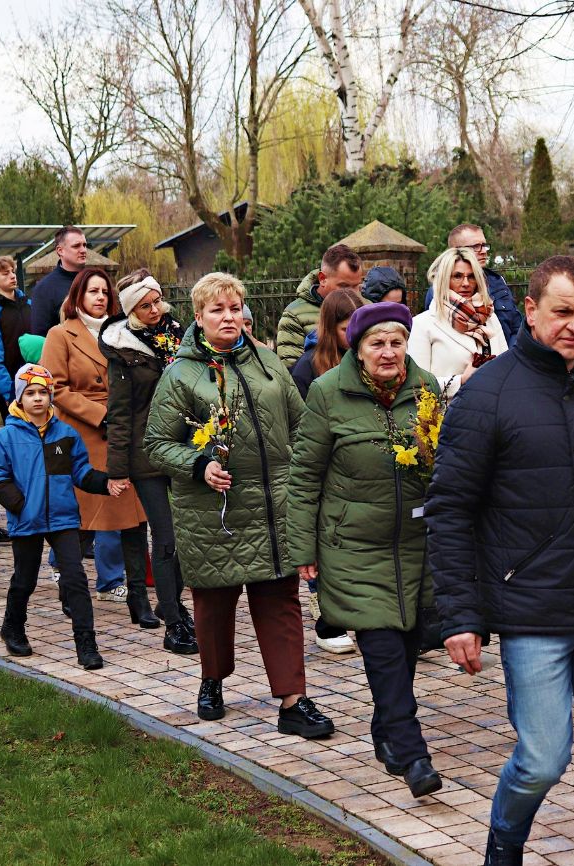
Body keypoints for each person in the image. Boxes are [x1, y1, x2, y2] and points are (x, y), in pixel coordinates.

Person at [427, 255, 574, 866]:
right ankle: (504, 845)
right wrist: (460, 616)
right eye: (563, 313)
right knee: (542, 759)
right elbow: (449, 509)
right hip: (531, 607)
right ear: (530, 311)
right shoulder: (487, 394)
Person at [144, 272, 335, 739]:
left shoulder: (268, 363)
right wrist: (198, 463)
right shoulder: (181, 373)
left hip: (274, 507)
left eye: (234, 309)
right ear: (199, 317)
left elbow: (302, 426)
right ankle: (212, 680)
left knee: (280, 602)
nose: (228, 317)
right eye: (217, 310)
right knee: (214, 604)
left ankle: (293, 700)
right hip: (215, 512)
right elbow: (155, 443)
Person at [287, 302, 444, 798]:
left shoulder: (427, 390)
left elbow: (441, 461)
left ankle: (387, 729)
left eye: (397, 341)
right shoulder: (327, 393)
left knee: (407, 645)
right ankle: (413, 753)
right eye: (377, 343)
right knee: (381, 647)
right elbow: (305, 475)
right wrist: (303, 546)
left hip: (415, 544)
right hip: (352, 544)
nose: (389, 352)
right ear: (357, 348)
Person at [0, 364, 115, 669]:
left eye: (43, 392)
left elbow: (80, 472)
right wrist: (17, 504)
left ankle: (86, 644)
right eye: (30, 393)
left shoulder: (65, 435)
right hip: (26, 520)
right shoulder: (7, 437)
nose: (38, 399)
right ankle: (13, 627)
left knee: (76, 579)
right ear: (19, 398)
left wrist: (106, 482)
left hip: (63, 519)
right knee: (24, 579)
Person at [41, 268, 153, 622]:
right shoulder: (60, 334)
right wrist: (100, 414)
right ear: (78, 296)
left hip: (124, 433)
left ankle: (139, 598)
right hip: (80, 433)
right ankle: (72, 593)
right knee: (76, 520)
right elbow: (54, 388)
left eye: (105, 291)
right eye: (93, 291)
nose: (101, 297)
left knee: (134, 519)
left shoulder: (123, 333)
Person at [99, 269, 198, 656]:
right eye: (146, 305)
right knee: (167, 535)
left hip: (185, 445)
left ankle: (172, 602)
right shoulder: (123, 348)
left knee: (186, 534)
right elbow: (119, 412)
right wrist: (117, 469)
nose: (155, 309)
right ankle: (173, 621)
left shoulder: (178, 334)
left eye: (157, 300)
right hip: (146, 454)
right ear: (131, 309)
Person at [289, 287, 365, 656]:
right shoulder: (308, 369)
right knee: (327, 542)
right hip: (326, 466)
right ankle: (327, 619)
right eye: (345, 329)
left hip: (360, 470)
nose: (352, 337)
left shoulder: (367, 360)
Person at [408, 247, 507, 398]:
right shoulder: (423, 324)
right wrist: (460, 381)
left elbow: (506, 366)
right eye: (457, 276)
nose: (466, 283)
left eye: (472, 276)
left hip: (491, 412)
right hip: (447, 416)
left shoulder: (489, 317)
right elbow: (416, 386)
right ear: (444, 279)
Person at [422, 224, 524, 344]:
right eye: (476, 247)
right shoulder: (440, 290)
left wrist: (510, 356)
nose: (483, 252)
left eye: (484, 246)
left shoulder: (496, 281)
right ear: (456, 251)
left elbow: (516, 326)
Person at [276, 244, 363, 369]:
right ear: (322, 279)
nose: (352, 293)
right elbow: (292, 372)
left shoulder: (365, 307)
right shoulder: (294, 316)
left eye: (357, 286)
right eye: (344, 286)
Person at [0, 255, 32, 420]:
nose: (12, 276)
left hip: (38, 381)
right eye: (5, 273)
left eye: (12, 272)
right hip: (11, 389)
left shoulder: (29, 303)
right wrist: (11, 392)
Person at [291, 288, 364, 402]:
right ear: (330, 328)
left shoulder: (368, 357)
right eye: (345, 330)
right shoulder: (306, 367)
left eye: (358, 328)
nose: (353, 335)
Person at [30, 225, 90, 336]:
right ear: (60, 250)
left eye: (85, 245)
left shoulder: (95, 280)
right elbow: (40, 336)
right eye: (76, 246)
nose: (83, 250)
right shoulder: (45, 288)